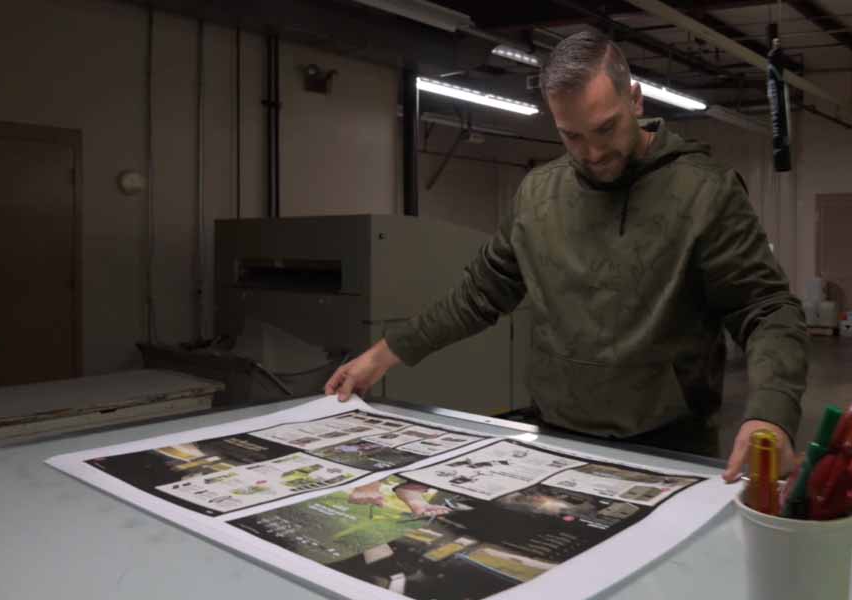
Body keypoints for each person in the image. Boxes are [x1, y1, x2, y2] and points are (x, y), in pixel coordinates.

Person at [326, 29, 808, 483]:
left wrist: (772, 411)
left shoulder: (705, 192)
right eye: (572, 136)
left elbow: (764, 309)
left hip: (671, 448)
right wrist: (383, 355)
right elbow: (477, 295)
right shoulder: (538, 196)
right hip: (555, 441)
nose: (593, 152)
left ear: (634, 99)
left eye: (606, 129)